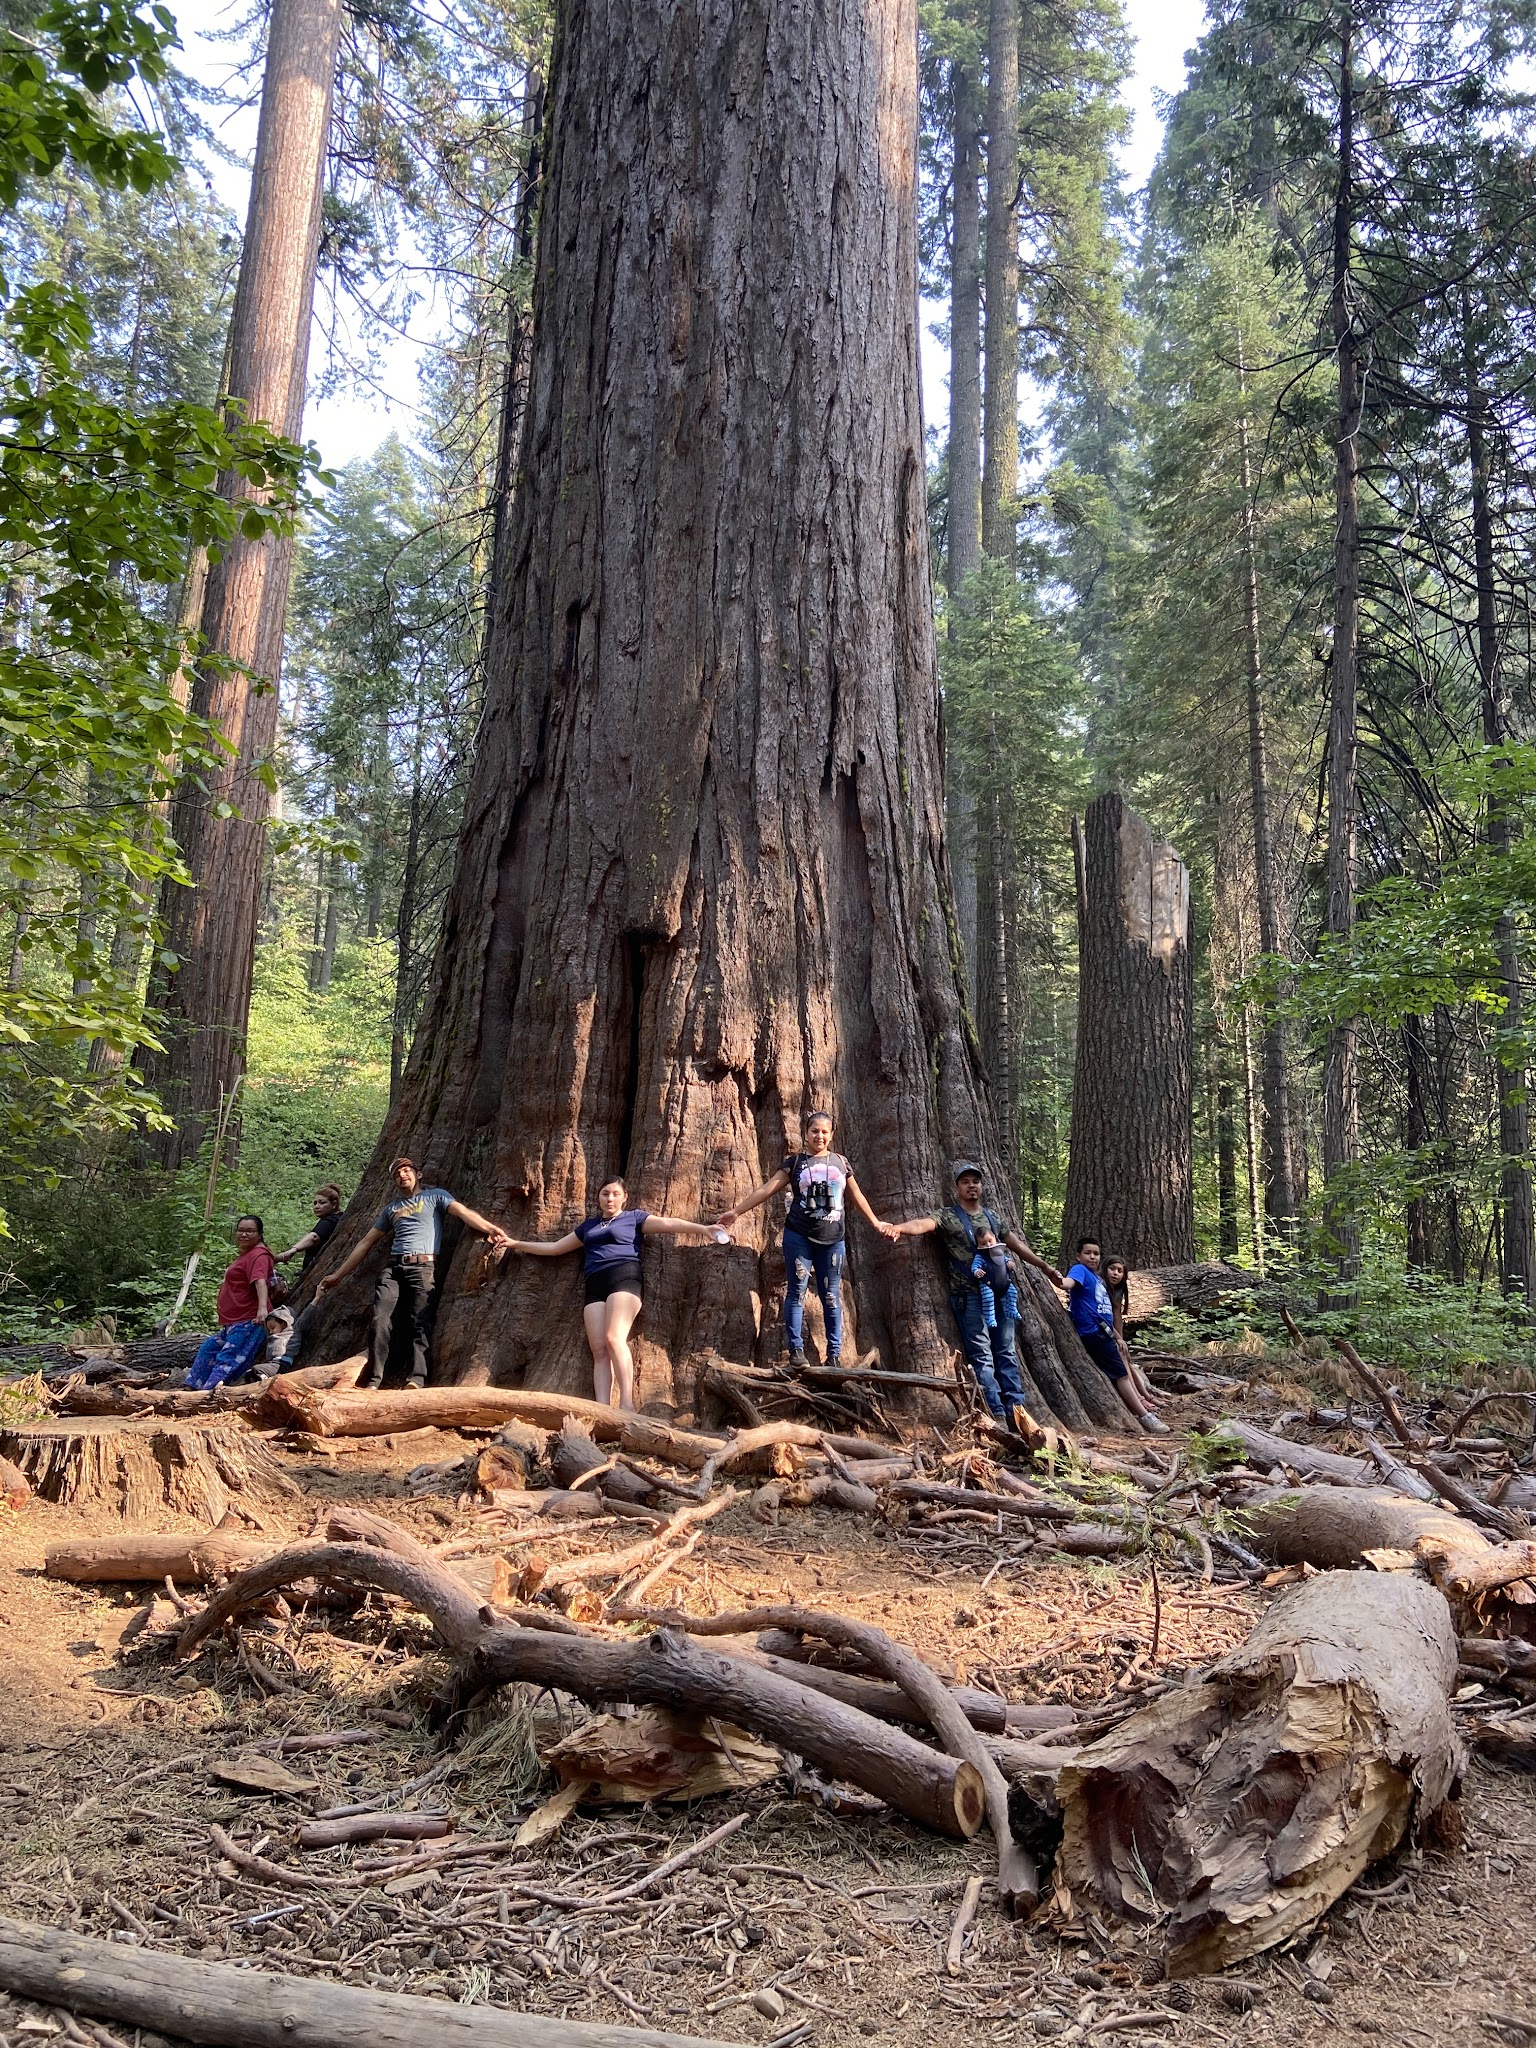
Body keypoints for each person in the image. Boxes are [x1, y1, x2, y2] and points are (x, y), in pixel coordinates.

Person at [502, 1178, 728, 1409]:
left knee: (613, 1338)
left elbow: (669, 1223)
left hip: (624, 1277)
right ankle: (602, 1409)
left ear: (624, 1197)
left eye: (615, 1194)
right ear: (598, 1197)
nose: (610, 1198)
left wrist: (703, 1229)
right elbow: (555, 1247)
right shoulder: (588, 1226)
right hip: (594, 1284)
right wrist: (515, 1244)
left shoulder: (634, 1218)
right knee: (599, 1349)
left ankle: (627, 1405)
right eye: (605, 1194)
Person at [714, 1111, 898, 1371]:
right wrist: (736, 1211)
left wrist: (877, 1223)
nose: (819, 1136)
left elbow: (857, 1196)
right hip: (799, 1236)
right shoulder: (795, 1163)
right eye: (814, 1131)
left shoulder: (841, 1163)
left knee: (831, 1296)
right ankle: (796, 1350)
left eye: (825, 1131)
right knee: (796, 1291)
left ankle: (834, 1354)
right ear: (806, 1133)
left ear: (832, 1134)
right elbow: (767, 1188)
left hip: (832, 1240)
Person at [888, 1160, 1063, 1428]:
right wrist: (897, 1228)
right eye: (966, 1181)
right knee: (982, 1355)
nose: (972, 1186)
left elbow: (1015, 1244)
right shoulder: (948, 1216)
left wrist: (1045, 1266)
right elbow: (923, 1224)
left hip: (1001, 1295)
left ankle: (1018, 1411)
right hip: (968, 1296)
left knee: (1006, 1351)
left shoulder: (993, 1218)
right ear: (956, 1187)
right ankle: (998, 1414)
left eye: (976, 1181)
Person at [316, 1157, 509, 1389]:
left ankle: (417, 1378)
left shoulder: (435, 1196)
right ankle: (375, 1379)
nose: (402, 1175)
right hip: (394, 1268)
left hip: (423, 1266)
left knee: (420, 1321)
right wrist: (338, 1275)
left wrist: (489, 1228)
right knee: (380, 1321)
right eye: (397, 1174)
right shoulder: (391, 1209)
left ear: (418, 1174)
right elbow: (365, 1243)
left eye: (407, 1170)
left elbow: (462, 1212)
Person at [1065, 1238, 1167, 1432]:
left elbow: (1103, 1312)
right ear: (1078, 1256)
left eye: (1096, 1253)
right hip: (1093, 1333)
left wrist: (1117, 1336)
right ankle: (1145, 1416)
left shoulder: (1096, 1279)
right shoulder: (1079, 1270)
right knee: (1121, 1375)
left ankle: (1143, 1401)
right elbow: (1068, 1283)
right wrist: (1059, 1281)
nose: (1092, 1256)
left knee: (1123, 1369)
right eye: (1088, 1253)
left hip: (1104, 1333)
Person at [185, 1216, 276, 1390]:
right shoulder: (250, 1254)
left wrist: (262, 1309)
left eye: (250, 1231)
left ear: (260, 1234)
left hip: (249, 1319)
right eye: (241, 1230)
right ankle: (192, 1386)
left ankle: (208, 1394)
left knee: (228, 1358)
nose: (244, 1234)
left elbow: (260, 1280)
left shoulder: (259, 1254)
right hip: (233, 1321)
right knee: (208, 1349)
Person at [273, 1184, 344, 1276]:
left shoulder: (330, 1221)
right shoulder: (338, 1218)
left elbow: (314, 1237)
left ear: (334, 1204)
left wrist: (292, 1251)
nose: (317, 1206)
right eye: (315, 1203)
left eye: (322, 1203)